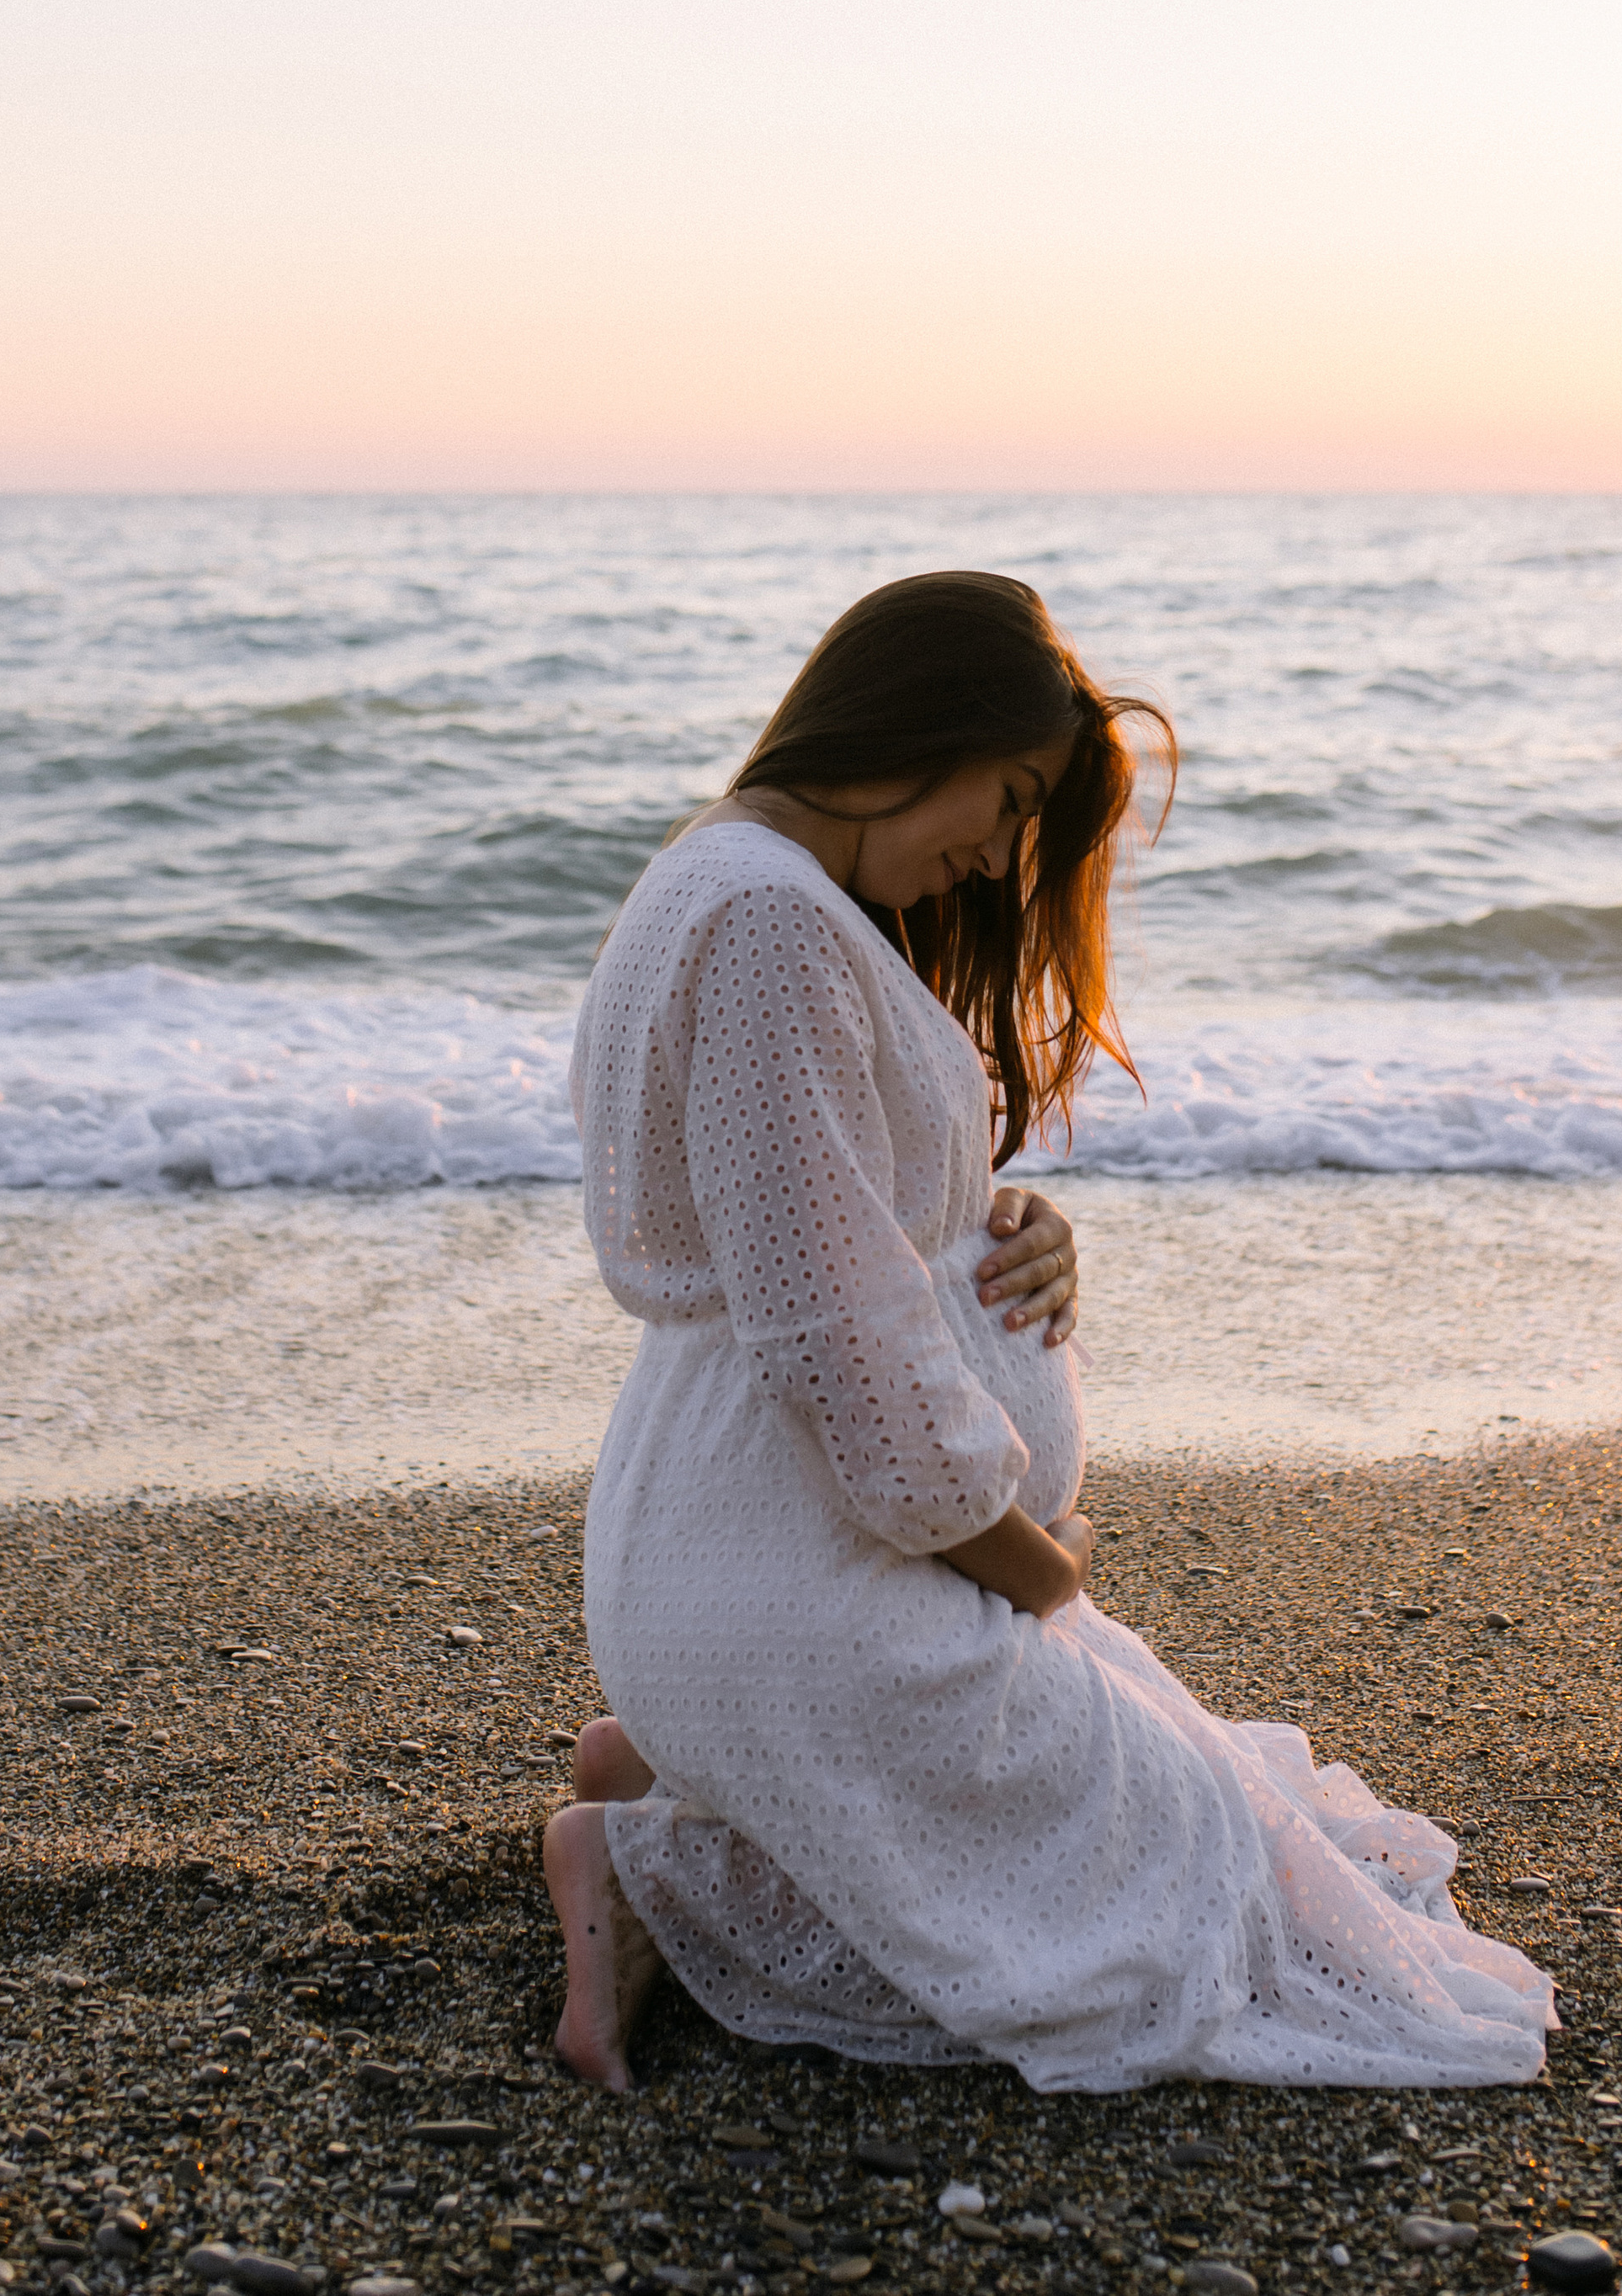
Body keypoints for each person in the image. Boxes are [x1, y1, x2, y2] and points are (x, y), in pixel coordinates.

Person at [547, 571, 1555, 2093]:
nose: (1001, 854)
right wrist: (1039, 1560)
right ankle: (652, 1862)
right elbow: (830, 1336)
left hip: (780, 1558)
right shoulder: (765, 920)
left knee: (1226, 1813)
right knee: (1181, 1914)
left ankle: (704, 1772)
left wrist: (997, 1223)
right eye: (1014, 797)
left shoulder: (751, 888)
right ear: (918, 720)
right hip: (801, 1570)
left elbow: (818, 1207)